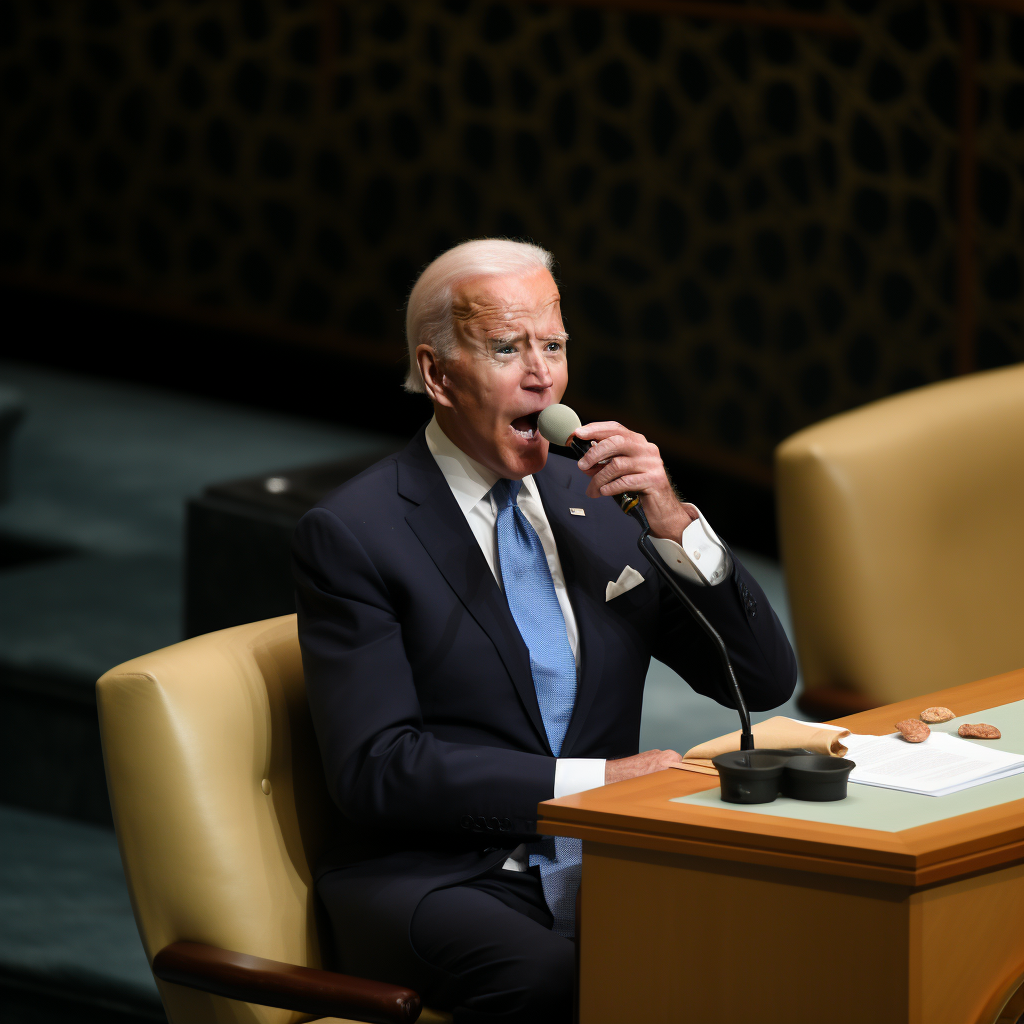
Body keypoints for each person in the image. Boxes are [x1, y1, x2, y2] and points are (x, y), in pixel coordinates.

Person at [293, 239, 797, 1023]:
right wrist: (595, 786)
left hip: (606, 864)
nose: (543, 376)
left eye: (554, 346)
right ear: (438, 373)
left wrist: (673, 526)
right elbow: (378, 770)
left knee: (777, 934)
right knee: (554, 978)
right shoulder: (357, 533)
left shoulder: (598, 500)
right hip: (443, 875)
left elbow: (762, 679)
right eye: (507, 348)